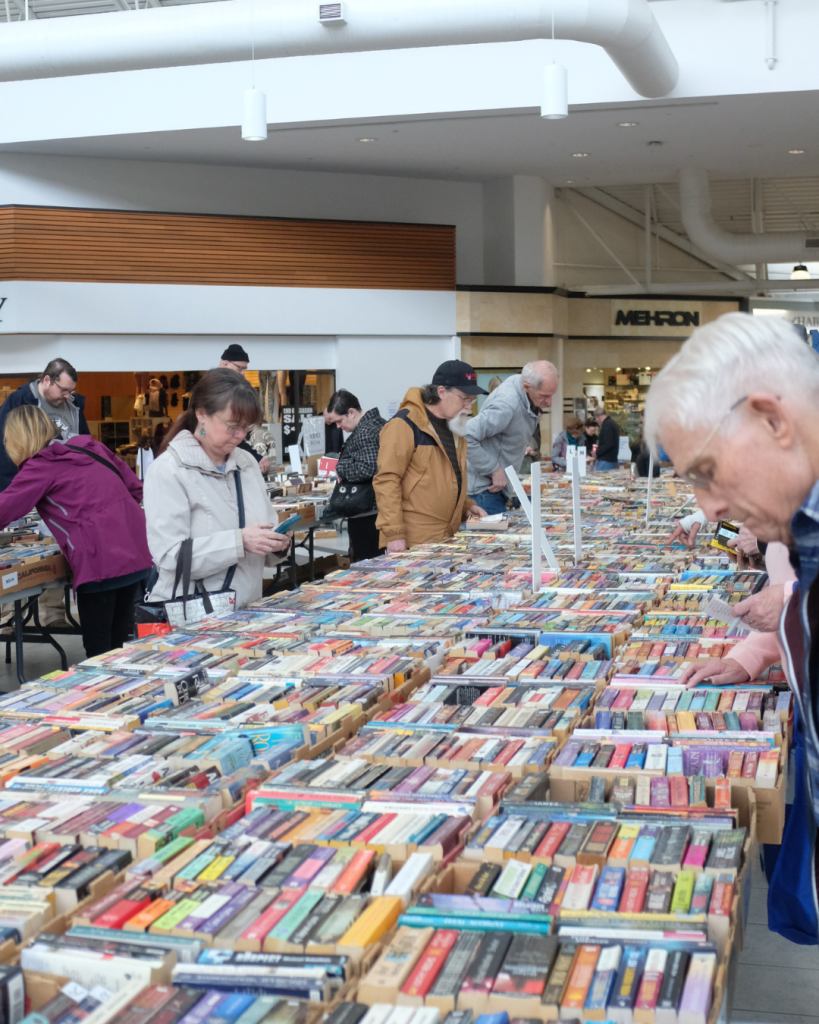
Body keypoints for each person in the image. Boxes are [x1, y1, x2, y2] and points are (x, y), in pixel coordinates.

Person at [644, 310, 819, 936]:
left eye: (709, 472)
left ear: (774, 418)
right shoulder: (795, 520)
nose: (711, 508)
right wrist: (753, 653)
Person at [0, 406, 152, 657]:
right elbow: (137, 489)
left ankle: (103, 694)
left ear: (17, 439)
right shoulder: (92, 448)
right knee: (120, 644)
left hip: (100, 562)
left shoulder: (41, 466)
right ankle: (126, 694)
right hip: (135, 552)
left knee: (99, 650)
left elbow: (6, 508)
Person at [144, 369, 291, 609]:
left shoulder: (247, 463)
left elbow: (264, 527)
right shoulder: (169, 470)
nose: (241, 436)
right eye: (233, 426)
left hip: (247, 611)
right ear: (202, 414)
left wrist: (277, 542)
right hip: (195, 617)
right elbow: (171, 556)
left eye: (246, 428)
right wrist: (240, 542)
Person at [374, 360, 487, 551]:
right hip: (414, 537)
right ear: (441, 392)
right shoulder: (404, 424)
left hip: (446, 535)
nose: (469, 407)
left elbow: (446, 478)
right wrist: (394, 533)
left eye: (472, 400)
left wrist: (466, 506)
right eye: (464, 399)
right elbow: (387, 480)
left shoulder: (453, 426)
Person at [465, 360, 559, 514]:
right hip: (485, 492)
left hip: (492, 490)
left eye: (552, 395)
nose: (549, 402)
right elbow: (466, 435)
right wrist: (494, 469)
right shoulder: (507, 405)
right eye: (545, 396)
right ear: (526, 387)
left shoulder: (522, 386)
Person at [0, 358, 90, 492]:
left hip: (69, 488)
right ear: (47, 380)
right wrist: (13, 490)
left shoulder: (74, 407)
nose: (67, 396)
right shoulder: (19, 401)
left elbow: (87, 445)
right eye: (63, 390)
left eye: (71, 391)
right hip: (30, 489)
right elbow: (6, 449)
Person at [324, 389, 386, 562]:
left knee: (366, 566)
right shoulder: (378, 423)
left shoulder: (364, 432)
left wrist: (341, 468)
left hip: (367, 512)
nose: (338, 426)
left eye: (339, 421)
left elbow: (368, 467)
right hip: (377, 509)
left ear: (351, 412)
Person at [218, 345, 271, 475]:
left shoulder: (232, 388)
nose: (243, 374)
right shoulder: (215, 388)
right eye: (239, 369)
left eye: (245, 369)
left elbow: (237, 437)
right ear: (225, 363)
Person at [593, 407, 620, 471]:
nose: (596, 421)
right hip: (612, 459)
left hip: (606, 461)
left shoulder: (607, 425)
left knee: (600, 480)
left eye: (595, 419)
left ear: (598, 417)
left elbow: (608, 443)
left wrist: (597, 453)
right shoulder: (612, 423)